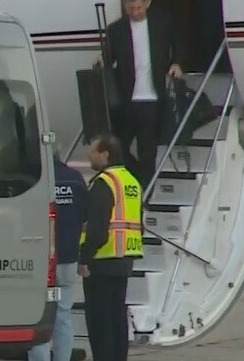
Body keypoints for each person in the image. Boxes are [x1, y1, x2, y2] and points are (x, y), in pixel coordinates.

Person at [103, 0, 183, 188]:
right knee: (117, 149)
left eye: (139, 8)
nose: (136, 12)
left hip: (152, 99)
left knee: (148, 152)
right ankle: (137, 178)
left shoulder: (161, 23)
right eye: (131, 9)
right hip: (127, 100)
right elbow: (108, 59)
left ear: (147, 3)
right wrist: (101, 60)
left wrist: (177, 63)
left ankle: (146, 190)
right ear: (125, 6)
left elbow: (179, 43)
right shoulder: (116, 30)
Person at [79, 133, 144, 361]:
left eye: (94, 150)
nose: (89, 154)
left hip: (103, 261)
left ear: (105, 154)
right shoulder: (131, 182)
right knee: (117, 318)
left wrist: (85, 258)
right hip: (125, 259)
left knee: (100, 322)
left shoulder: (103, 183)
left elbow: (97, 228)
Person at [28, 149, 88, 361]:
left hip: (42, 261)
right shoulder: (76, 179)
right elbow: (85, 217)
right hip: (69, 259)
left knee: (39, 317)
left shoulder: (35, 180)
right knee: (63, 316)